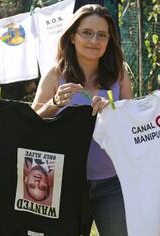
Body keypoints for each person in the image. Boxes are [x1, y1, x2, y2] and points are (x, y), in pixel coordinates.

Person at [32, 4, 133, 236]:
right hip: (63, 183)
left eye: (102, 35)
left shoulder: (119, 75)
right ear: (72, 37)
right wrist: (55, 103)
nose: (94, 40)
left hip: (111, 181)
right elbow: (33, 120)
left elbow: (131, 120)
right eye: (87, 32)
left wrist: (114, 111)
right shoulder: (56, 75)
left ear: (109, 41)